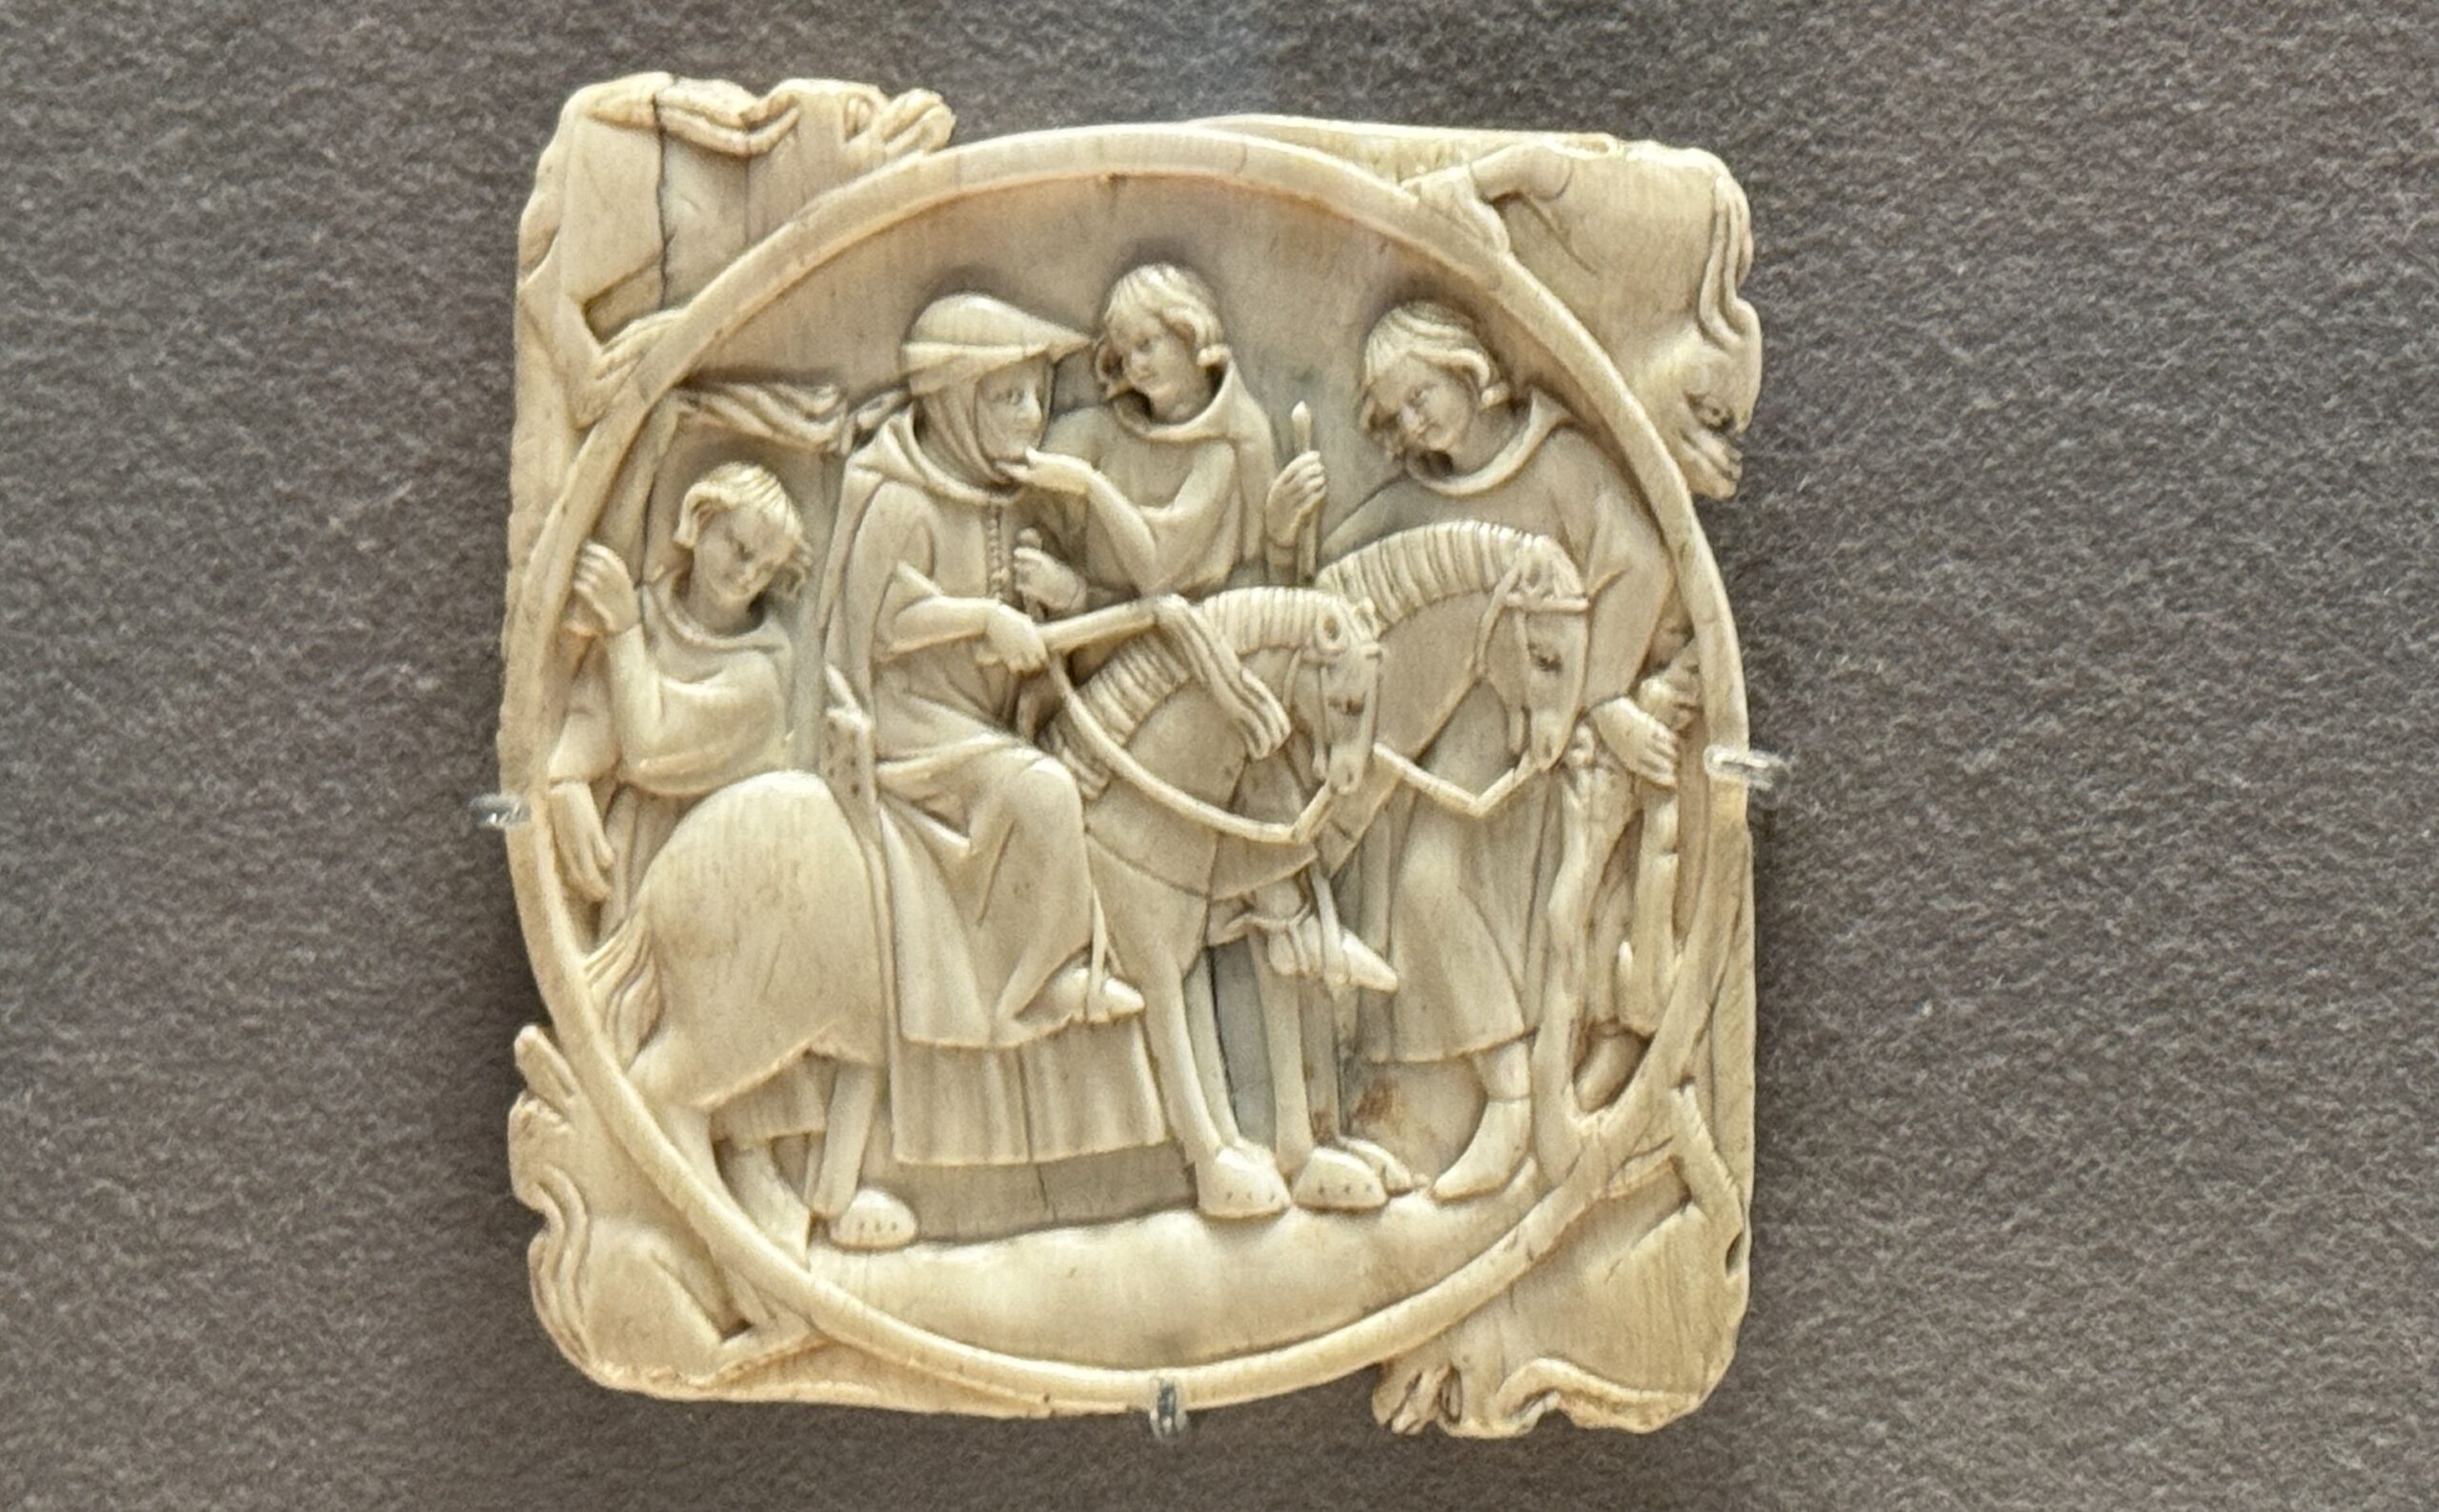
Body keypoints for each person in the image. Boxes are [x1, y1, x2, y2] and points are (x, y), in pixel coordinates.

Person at [1321, 300, 1696, 1200]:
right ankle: (1405, 1104)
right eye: (1395, 415)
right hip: (1462, 722)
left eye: (1422, 396)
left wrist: (1601, 698)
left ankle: (1509, 1102)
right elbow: (1339, 574)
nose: (1414, 424)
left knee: (1430, 883)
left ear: (1469, 370)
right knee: (1384, 875)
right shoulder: (1411, 500)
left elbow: (1645, 567)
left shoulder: (1561, 463)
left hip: (1545, 729)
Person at [815, 292, 1170, 1169]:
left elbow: (1143, 578)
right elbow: (876, 626)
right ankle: (1042, 984)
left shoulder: (1010, 495)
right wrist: (980, 618)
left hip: (990, 723)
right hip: (914, 729)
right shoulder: (900, 499)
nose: (1030, 417)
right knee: (1044, 790)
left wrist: (1065, 594)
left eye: (1037, 396)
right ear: (953, 403)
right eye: (1008, 397)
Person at [548, 461, 810, 933]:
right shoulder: (649, 611)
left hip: (715, 867)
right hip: (633, 848)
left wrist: (622, 632)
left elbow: (650, 749)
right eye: (741, 549)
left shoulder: (760, 677)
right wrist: (567, 780)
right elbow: (594, 713)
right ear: (702, 518)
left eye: (767, 567)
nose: (748, 575)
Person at [1029, 262, 1326, 607]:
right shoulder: (1100, 431)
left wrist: (1279, 538)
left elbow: (1159, 572)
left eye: (1146, 345)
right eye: (1123, 356)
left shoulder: (1234, 444)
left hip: (1205, 627)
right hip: (1099, 626)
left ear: (1189, 332)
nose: (1135, 366)